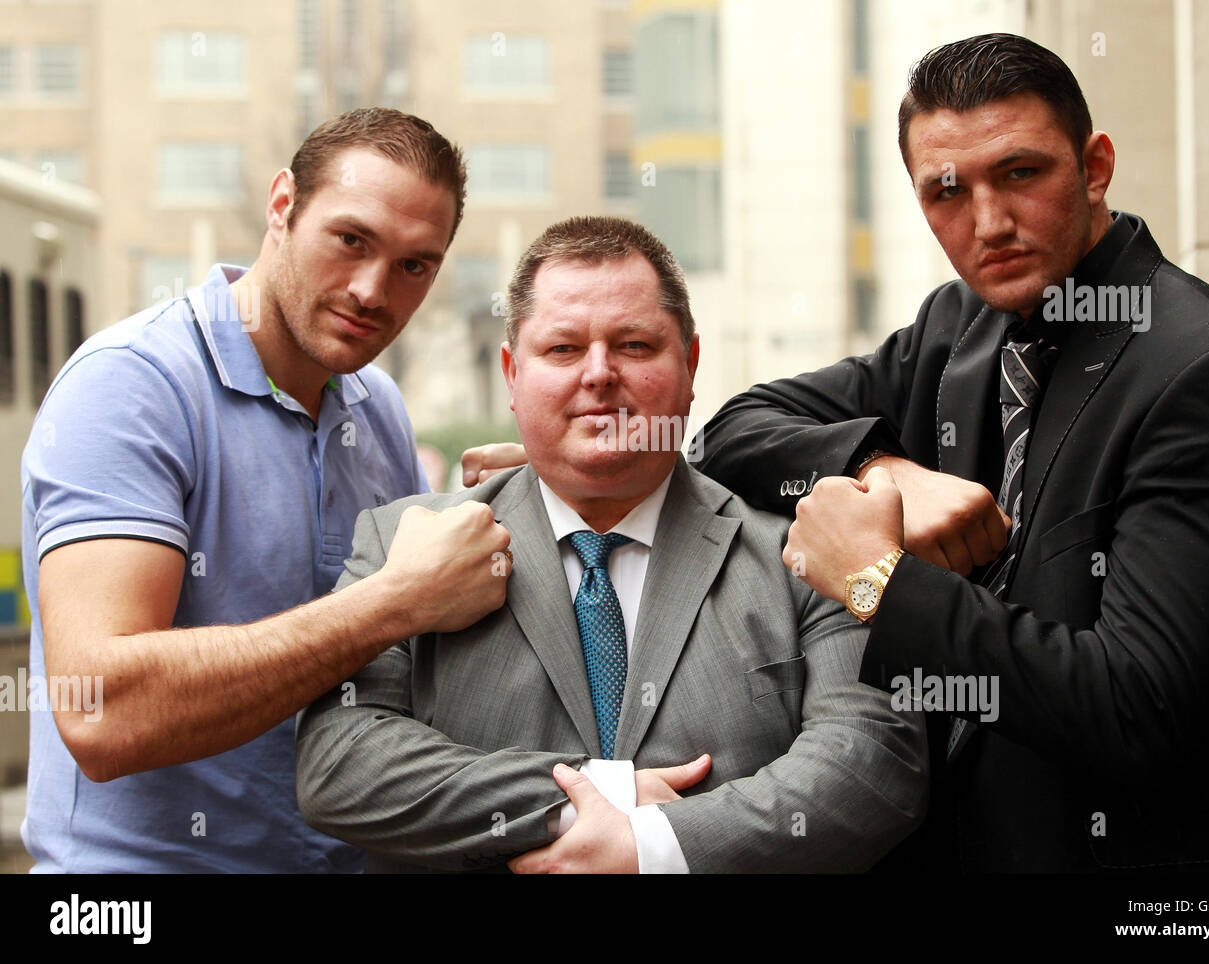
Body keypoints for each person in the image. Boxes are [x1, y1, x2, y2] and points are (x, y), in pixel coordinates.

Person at [690, 33, 1209, 872]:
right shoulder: (962, 325)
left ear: (1095, 167)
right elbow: (733, 431)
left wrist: (876, 582)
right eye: (947, 190)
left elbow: (1139, 709)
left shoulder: (1208, 373)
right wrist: (884, 469)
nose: (989, 223)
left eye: (1020, 173)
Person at [296, 216, 927, 873]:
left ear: (690, 365)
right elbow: (339, 763)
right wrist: (592, 797)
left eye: (634, 345)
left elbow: (872, 764)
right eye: (563, 349)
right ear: (512, 374)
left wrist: (651, 848)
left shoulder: (807, 554)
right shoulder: (402, 542)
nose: (599, 374)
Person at [21, 108, 513, 872]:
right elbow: (101, 711)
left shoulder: (376, 408)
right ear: (282, 204)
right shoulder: (132, 385)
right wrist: (393, 602)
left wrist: (535, 509)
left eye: (415, 265)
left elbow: (418, 661)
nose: (372, 290)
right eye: (351, 240)